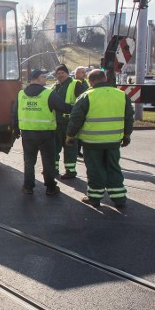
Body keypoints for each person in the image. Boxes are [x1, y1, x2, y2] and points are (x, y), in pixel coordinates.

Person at [65, 69, 134, 209]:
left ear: (90, 81)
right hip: (114, 141)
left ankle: (94, 198)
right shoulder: (121, 95)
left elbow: (76, 119)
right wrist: (127, 135)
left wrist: (70, 136)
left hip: (93, 142)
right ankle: (119, 197)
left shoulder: (86, 96)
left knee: (95, 169)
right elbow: (129, 118)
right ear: (105, 78)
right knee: (113, 167)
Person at [12, 69, 72, 195]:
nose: (45, 78)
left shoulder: (21, 94)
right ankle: (50, 187)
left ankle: (28, 187)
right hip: (46, 134)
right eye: (43, 76)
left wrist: (16, 129)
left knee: (29, 161)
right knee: (48, 161)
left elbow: (14, 113)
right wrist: (78, 107)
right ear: (36, 78)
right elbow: (63, 108)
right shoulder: (48, 94)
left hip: (27, 134)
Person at [51, 64, 87, 180]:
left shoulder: (76, 84)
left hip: (69, 123)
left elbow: (83, 102)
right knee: (54, 148)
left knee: (70, 148)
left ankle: (70, 171)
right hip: (55, 123)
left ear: (67, 73)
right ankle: (54, 169)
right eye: (58, 73)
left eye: (62, 73)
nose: (60, 75)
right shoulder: (54, 86)